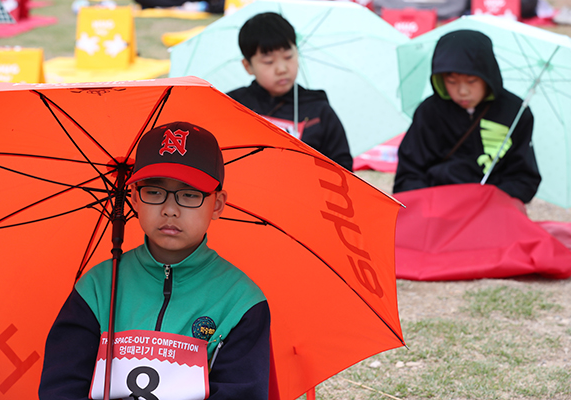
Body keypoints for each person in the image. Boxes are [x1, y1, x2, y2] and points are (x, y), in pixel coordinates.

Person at [39, 121, 270, 400]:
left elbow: (241, 392)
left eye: (189, 194)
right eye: (154, 192)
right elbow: (61, 387)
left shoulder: (241, 301)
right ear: (134, 198)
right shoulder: (97, 289)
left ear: (218, 204)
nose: (170, 209)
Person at [393, 29, 541, 204]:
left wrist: (491, 198)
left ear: (488, 76)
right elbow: (409, 174)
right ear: (440, 79)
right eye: (452, 81)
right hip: (437, 205)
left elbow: (524, 177)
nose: (462, 91)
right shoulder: (429, 112)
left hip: (491, 205)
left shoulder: (515, 112)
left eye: (472, 81)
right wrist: (431, 202)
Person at [226, 12, 354, 171]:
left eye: (288, 56)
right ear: (248, 66)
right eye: (268, 61)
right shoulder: (232, 107)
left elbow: (343, 168)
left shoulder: (318, 111)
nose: (282, 69)